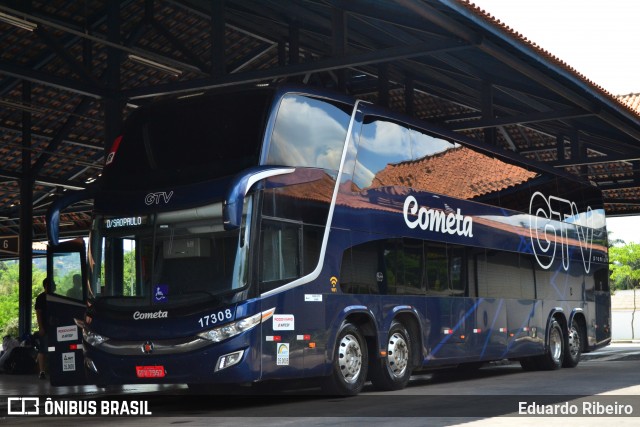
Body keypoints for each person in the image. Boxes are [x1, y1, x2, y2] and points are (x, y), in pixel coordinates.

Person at [35, 277, 51, 379]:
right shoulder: (41, 298)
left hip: (53, 327)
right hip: (45, 326)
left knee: (47, 349)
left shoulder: (53, 297)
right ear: (45, 286)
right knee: (43, 349)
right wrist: (41, 327)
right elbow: (38, 313)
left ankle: (48, 369)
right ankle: (42, 371)